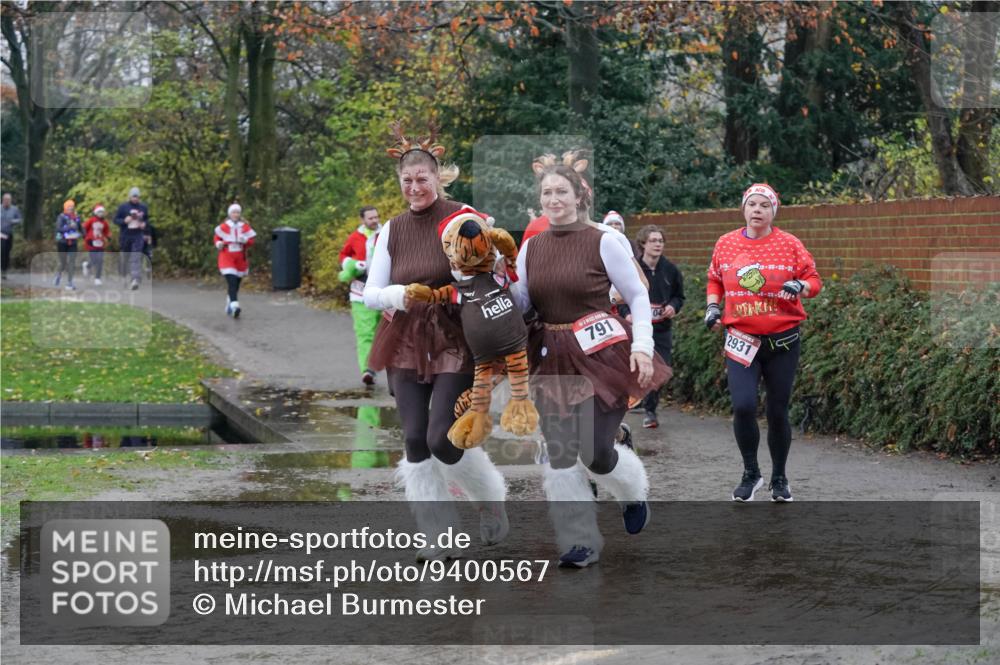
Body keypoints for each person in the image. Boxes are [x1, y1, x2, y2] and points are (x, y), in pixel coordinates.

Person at [512, 162, 671, 568]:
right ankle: (579, 541)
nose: (553, 200)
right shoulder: (531, 247)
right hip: (550, 355)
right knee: (562, 452)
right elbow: (524, 303)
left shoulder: (605, 240)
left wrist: (642, 345)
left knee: (595, 453)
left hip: (601, 355)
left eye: (561, 192)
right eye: (547, 193)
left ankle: (632, 491)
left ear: (580, 196)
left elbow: (637, 295)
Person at [363, 122, 508, 562]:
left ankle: (489, 502)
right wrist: (397, 295)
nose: (414, 188)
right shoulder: (391, 229)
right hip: (406, 336)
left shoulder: (465, 216)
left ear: (437, 177)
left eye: (421, 179)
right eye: (406, 181)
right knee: (413, 441)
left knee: (442, 438)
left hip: (457, 336)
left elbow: (495, 272)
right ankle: (438, 535)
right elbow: (370, 292)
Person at [705, 183, 822, 503]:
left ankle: (780, 478)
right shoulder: (726, 244)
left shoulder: (790, 244)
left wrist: (799, 285)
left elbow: (815, 281)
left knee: (777, 411)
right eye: (752, 204)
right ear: (743, 209)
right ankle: (751, 473)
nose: (757, 210)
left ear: (773, 212)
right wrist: (713, 307)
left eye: (764, 206)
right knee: (742, 406)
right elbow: (715, 278)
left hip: (782, 341)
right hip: (741, 338)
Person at [619, 225, 685, 429]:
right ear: (643, 244)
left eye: (661, 241)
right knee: (638, 368)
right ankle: (646, 410)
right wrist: (627, 314)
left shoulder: (671, 270)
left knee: (660, 369)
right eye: (653, 241)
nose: (658, 244)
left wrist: (673, 307)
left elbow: (679, 296)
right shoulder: (632, 268)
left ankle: (649, 407)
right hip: (637, 329)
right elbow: (619, 295)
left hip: (662, 329)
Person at [339, 206, 382, 386]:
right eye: (370, 218)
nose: (375, 220)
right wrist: (353, 265)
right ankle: (368, 370)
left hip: (384, 292)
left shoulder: (386, 234)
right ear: (362, 220)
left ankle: (395, 372)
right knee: (365, 333)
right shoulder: (355, 237)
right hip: (360, 293)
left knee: (388, 334)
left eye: (376, 217)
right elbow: (343, 256)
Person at [214, 203, 256, 318]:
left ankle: (229, 302)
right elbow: (217, 237)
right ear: (229, 214)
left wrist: (245, 240)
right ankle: (235, 306)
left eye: (237, 212)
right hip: (226, 257)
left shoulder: (244, 226)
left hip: (240, 258)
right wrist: (219, 243)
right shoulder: (223, 226)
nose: (236, 214)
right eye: (233, 212)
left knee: (236, 284)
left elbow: (252, 241)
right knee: (232, 281)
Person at [113, 186, 149, 290]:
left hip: (138, 235)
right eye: (133, 196)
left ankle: (135, 279)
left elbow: (147, 220)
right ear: (130, 196)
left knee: (136, 257)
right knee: (126, 256)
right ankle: (124, 275)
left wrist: (144, 224)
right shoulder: (123, 207)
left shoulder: (143, 207)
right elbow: (115, 220)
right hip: (125, 235)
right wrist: (124, 221)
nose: (135, 198)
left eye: (137, 196)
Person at [54, 200, 82, 290]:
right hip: (62, 242)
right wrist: (69, 227)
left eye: (72, 207)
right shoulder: (61, 217)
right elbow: (59, 228)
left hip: (73, 242)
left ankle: (70, 282)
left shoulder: (77, 217)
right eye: (69, 207)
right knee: (63, 262)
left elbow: (81, 228)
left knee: (72, 262)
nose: (71, 208)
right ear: (65, 208)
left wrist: (84, 235)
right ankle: (58, 275)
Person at [82, 204, 112, 285]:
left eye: (102, 212)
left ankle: (97, 278)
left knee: (100, 260)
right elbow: (84, 227)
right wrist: (85, 236)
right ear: (96, 213)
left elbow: (107, 231)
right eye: (99, 212)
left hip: (100, 243)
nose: (101, 214)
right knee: (94, 260)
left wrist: (108, 236)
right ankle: (87, 265)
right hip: (91, 243)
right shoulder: (91, 220)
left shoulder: (105, 223)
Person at [1, 193, 23, 279]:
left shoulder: (14, 209)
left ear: (10, 201)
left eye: (8, 200)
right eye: (5, 200)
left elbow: (20, 219)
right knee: (2, 252)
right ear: (2, 200)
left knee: (6, 252)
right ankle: (3, 270)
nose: (7, 202)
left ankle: (4, 270)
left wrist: (13, 221)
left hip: (9, 234)